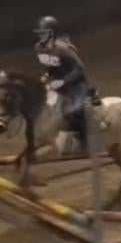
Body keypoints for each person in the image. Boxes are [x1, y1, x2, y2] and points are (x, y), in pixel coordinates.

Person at [33, 15, 98, 148]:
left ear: (52, 33)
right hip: (57, 84)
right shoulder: (38, 48)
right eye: (39, 33)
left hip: (76, 84)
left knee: (74, 110)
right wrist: (46, 75)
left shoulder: (64, 49)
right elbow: (52, 66)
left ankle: (85, 139)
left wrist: (63, 81)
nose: (40, 36)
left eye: (43, 33)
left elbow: (80, 69)